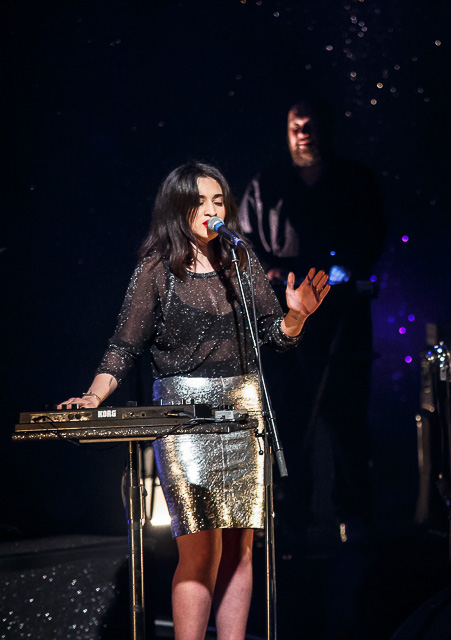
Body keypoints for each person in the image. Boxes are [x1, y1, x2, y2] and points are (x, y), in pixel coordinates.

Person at [59, 161, 331, 640]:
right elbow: (124, 347)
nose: (211, 211)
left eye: (218, 201)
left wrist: (296, 318)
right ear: (177, 209)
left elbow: (275, 334)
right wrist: (93, 395)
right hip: (184, 419)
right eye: (199, 202)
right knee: (201, 549)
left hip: (243, 411)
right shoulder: (156, 270)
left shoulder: (240, 261)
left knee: (241, 549)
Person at [237, 98, 385, 544]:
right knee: (286, 417)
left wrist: (345, 271)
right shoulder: (266, 183)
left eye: (310, 126)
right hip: (287, 319)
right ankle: (290, 519)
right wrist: (270, 272)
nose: (303, 134)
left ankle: (355, 519)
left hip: (342, 318)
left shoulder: (355, 179)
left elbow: (373, 237)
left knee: (347, 418)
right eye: (295, 126)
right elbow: (245, 243)